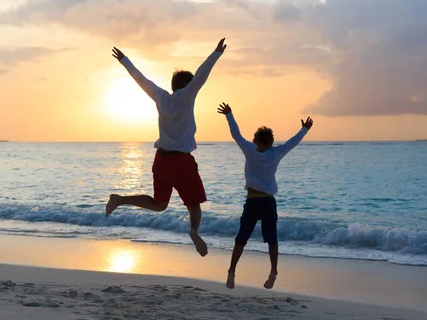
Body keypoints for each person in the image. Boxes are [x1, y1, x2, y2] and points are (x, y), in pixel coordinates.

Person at [105, 39, 227, 257]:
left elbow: (141, 80)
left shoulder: (161, 97)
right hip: (181, 161)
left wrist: (124, 60)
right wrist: (216, 53)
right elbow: (202, 75)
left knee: (160, 204)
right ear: (188, 86)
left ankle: (120, 199)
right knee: (194, 205)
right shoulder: (188, 96)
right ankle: (193, 231)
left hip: (161, 160)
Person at [217, 102, 313, 289]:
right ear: (270, 142)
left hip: (253, 202)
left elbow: (236, 135)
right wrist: (304, 130)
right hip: (268, 202)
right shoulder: (276, 153)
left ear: (255, 141)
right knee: (271, 239)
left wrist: (229, 115)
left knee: (242, 238)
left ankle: (232, 271)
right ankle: (273, 271)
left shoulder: (250, 150)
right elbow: (292, 143)